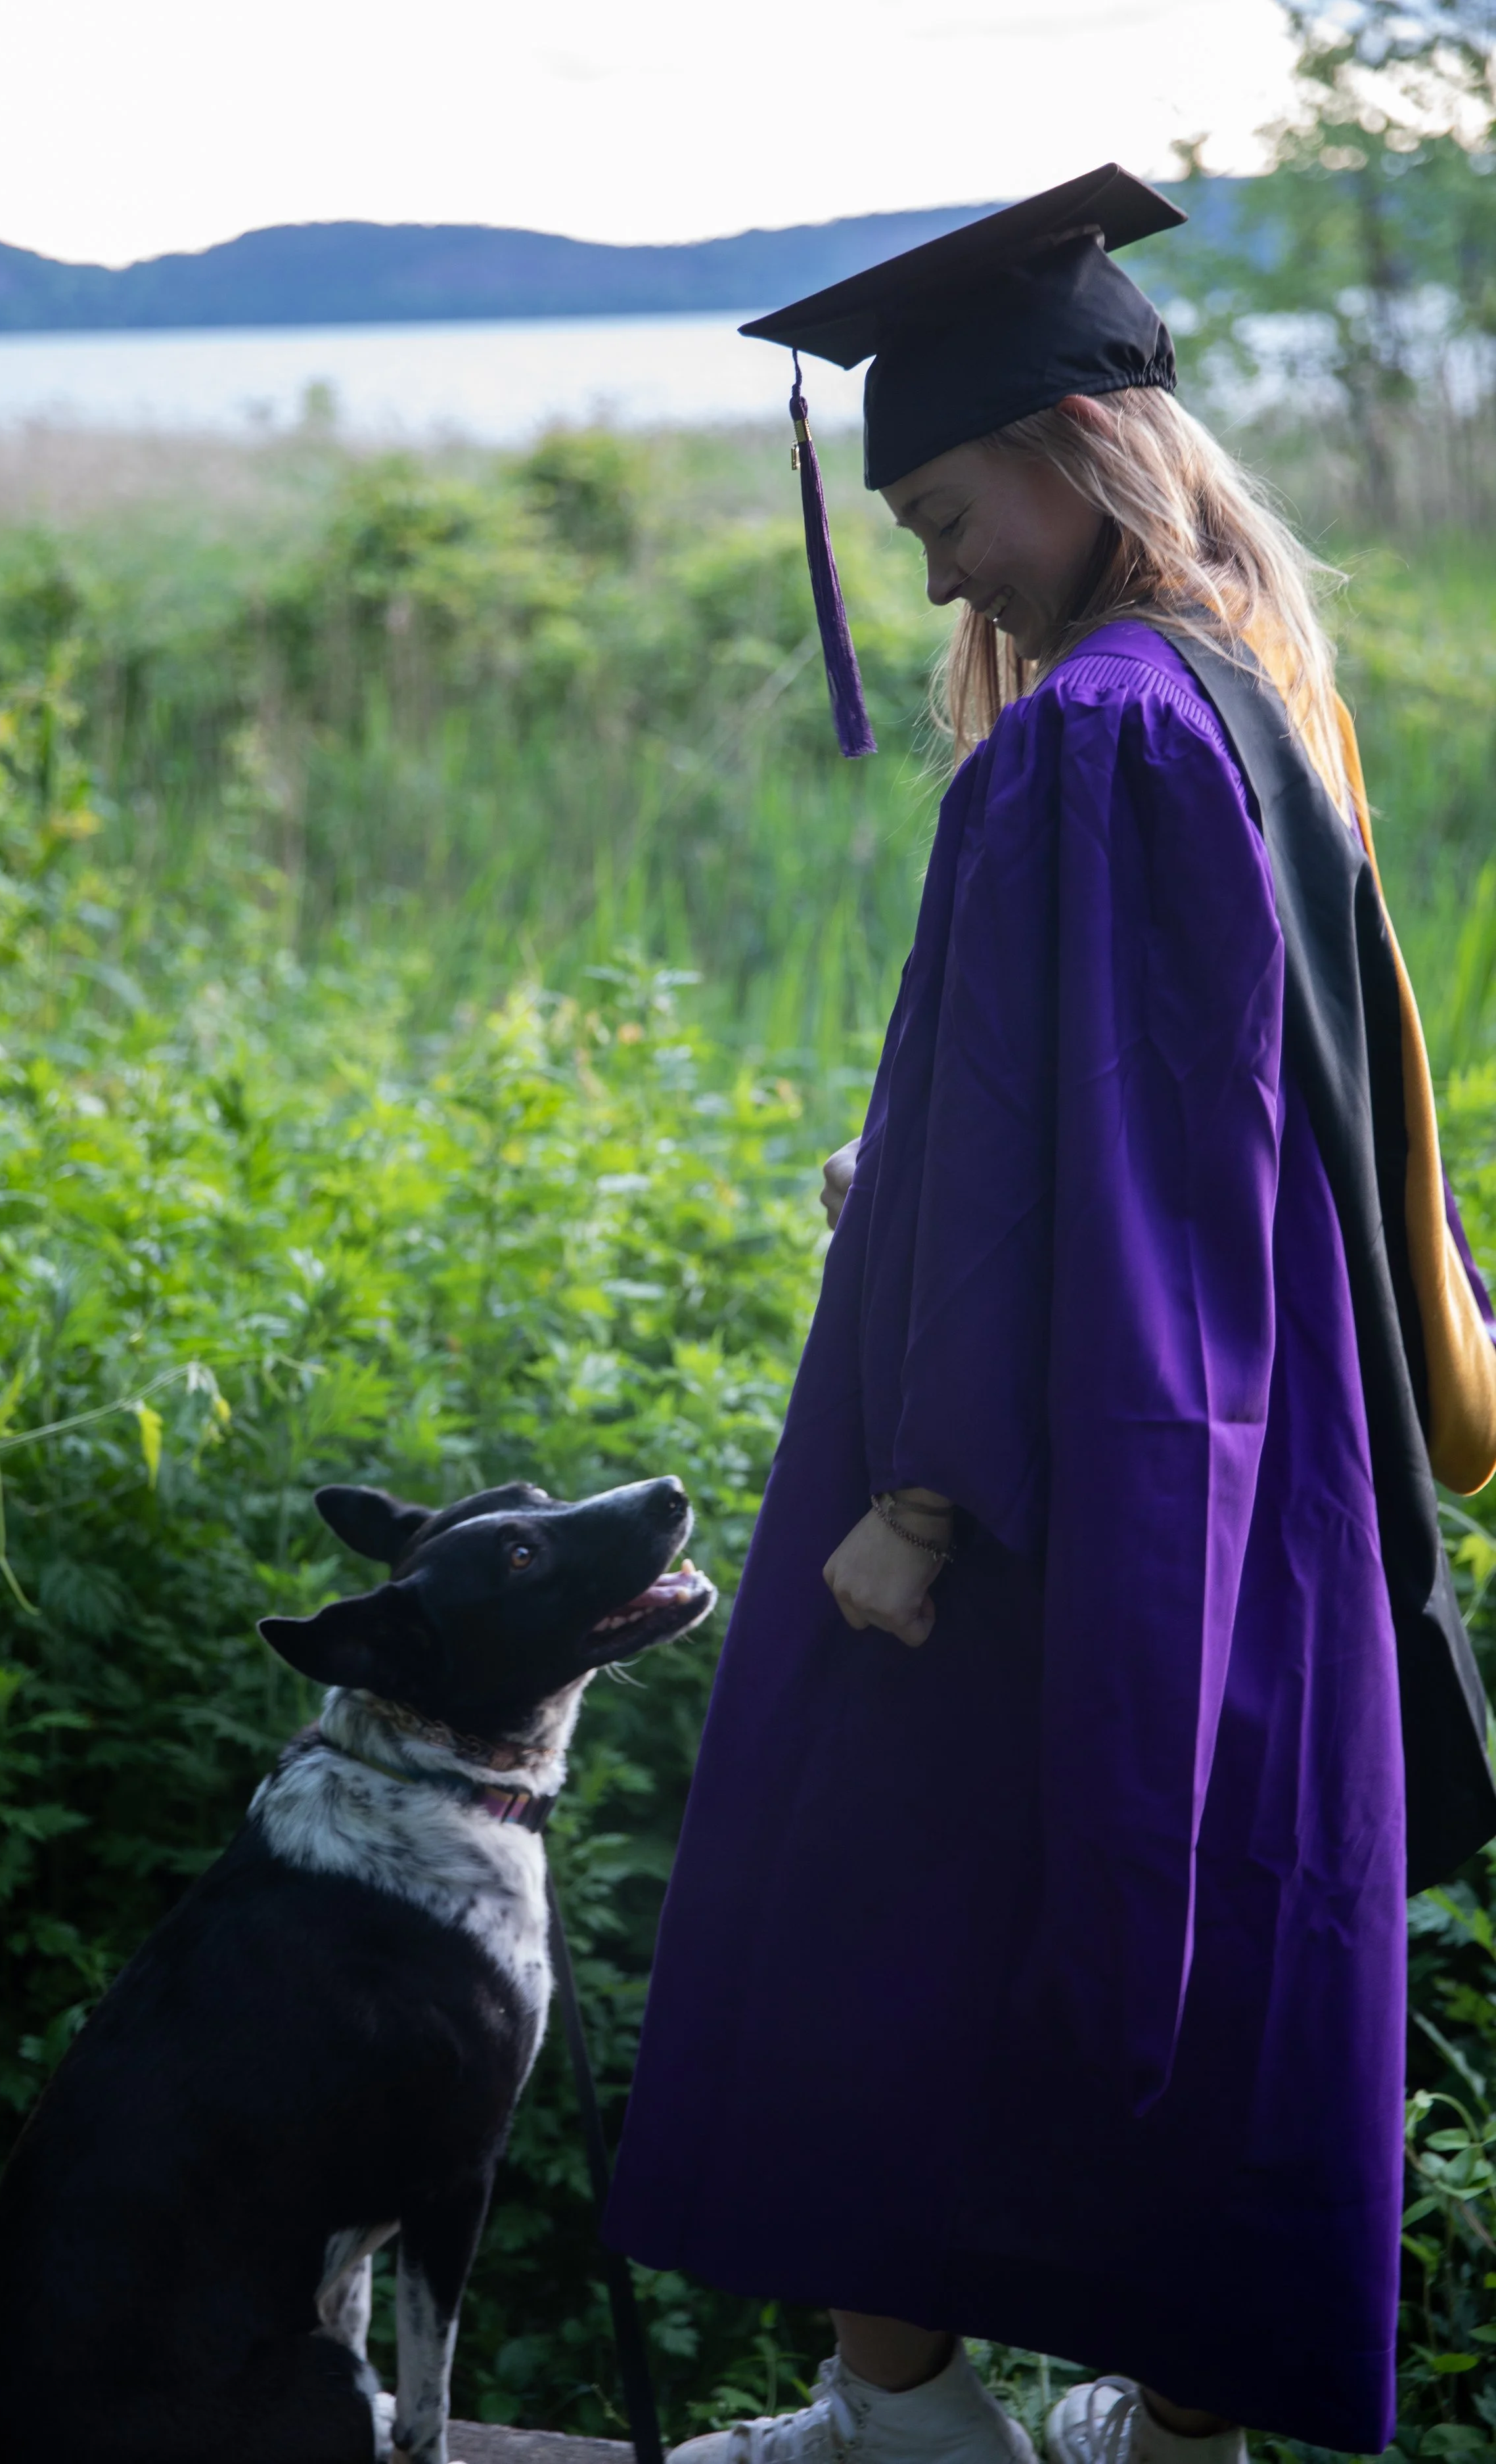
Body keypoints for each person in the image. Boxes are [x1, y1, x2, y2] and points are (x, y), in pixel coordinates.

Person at [601, 167, 1496, 2463]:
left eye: (941, 502)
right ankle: (1168, 2440)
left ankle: (909, 2434)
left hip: (1054, 1455)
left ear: (1071, 453)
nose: (928, 567)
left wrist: (918, 1488)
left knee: (870, 1890)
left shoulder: (1091, 731)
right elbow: (1214, 1127)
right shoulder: (1253, 696)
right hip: (1247, 1444)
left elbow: (1051, 1149)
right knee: (1214, 1917)